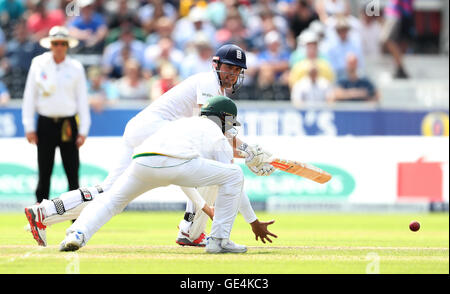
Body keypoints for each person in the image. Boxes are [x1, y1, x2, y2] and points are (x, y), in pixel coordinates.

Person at [24, 44, 274, 248]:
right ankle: (191, 230)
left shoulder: (216, 89)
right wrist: (248, 152)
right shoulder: (209, 84)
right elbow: (212, 137)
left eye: (237, 70)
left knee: (109, 191)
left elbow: (215, 137)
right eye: (229, 68)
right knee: (212, 168)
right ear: (216, 65)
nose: (232, 74)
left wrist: (246, 150)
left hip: (142, 128)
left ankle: (44, 211)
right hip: (155, 131)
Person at [59, 96, 278, 253]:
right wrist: (253, 221)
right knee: (233, 175)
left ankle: (77, 234)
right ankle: (219, 240)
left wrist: (202, 205)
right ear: (222, 118)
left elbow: (178, 173)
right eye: (230, 121)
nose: (230, 127)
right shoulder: (215, 134)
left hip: (143, 160)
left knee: (112, 201)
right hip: (177, 165)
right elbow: (232, 181)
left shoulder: (184, 124)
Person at [22, 26, 91, 219]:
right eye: (55, 43)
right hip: (45, 122)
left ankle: (76, 220)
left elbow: (82, 100)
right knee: (44, 171)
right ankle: (39, 216)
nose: (59, 47)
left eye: (62, 43)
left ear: (67, 45)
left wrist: (84, 129)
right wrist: (29, 126)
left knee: (72, 172)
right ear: (50, 45)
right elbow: (29, 96)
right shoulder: (38, 63)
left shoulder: (75, 67)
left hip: (68, 124)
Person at [380, 0, 415, 79]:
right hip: (400, 13)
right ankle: (399, 67)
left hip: (397, 14)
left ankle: (400, 68)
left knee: (387, 39)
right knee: (395, 42)